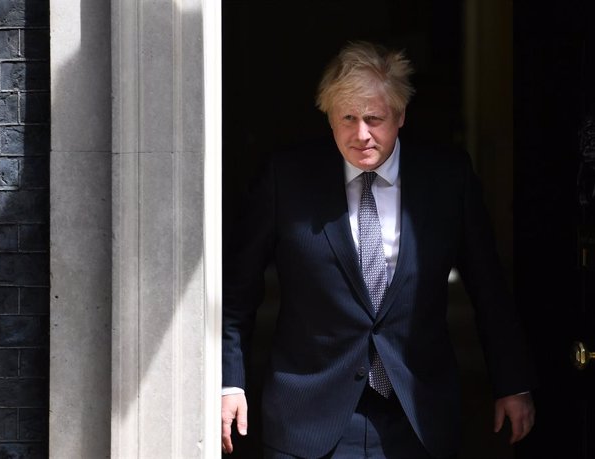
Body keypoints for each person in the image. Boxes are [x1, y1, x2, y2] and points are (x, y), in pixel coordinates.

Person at [221, 40, 536, 458]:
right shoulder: (286, 178)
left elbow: (488, 287)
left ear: (401, 115)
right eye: (347, 118)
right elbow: (238, 292)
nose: (361, 134)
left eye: (374, 118)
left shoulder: (447, 179)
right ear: (328, 117)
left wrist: (511, 382)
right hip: (308, 418)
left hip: (417, 415)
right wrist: (230, 381)